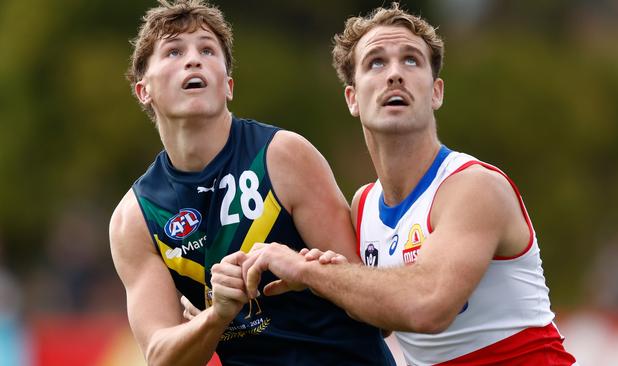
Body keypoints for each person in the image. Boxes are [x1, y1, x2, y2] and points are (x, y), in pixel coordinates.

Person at [241, 3, 578, 365]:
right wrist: (233, 326)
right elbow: (373, 313)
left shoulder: (473, 187)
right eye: (376, 62)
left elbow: (426, 306)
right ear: (352, 99)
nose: (395, 75)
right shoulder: (364, 204)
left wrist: (308, 270)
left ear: (436, 92)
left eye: (412, 60)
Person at [108, 0, 396, 365]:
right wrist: (218, 315)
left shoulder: (284, 156)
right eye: (174, 51)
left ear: (228, 85)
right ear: (143, 90)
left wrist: (304, 271)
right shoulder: (134, 217)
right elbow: (160, 356)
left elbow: (378, 313)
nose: (193, 59)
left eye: (207, 49)